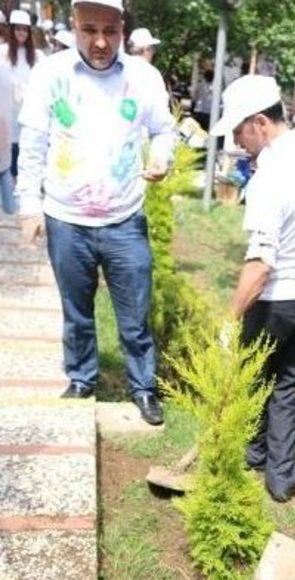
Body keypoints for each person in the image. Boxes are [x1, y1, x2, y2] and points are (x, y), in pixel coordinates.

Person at [16, 0, 175, 425]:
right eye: (90, 30)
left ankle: (143, 387)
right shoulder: (51, 73)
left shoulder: (143, 76)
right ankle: (83, 378)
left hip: (125, 218)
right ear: (74, 26)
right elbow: (32, 143)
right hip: (66, 218)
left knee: (134, 314)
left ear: (123, 27)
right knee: (76, 310)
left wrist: (162, 157)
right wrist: (29, 205)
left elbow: (163, 130)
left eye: (110, 30)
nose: (101, 41)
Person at [212, 75, 295, 502]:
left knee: (255, 380)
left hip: (278, 302)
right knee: (286, 386)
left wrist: (230, 319)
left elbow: (262, 264)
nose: (236, 139)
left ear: (260, 122)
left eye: (238, 129)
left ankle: (250, 453)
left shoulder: (269, 176)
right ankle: (280, 479)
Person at [0, 10, 44, 178]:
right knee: (8, 154)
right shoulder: (2, 52)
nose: (21, 33)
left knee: (27, 151)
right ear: (12, 30)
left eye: (25, 29)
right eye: (18, 29)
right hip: (6, 112)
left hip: (28, 111)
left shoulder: (37, 55)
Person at [0, 60, 14, 214]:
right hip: (4, 128)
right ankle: (10, 211)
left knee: (4, 172)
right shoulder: (4, 68)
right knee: (5, 171)